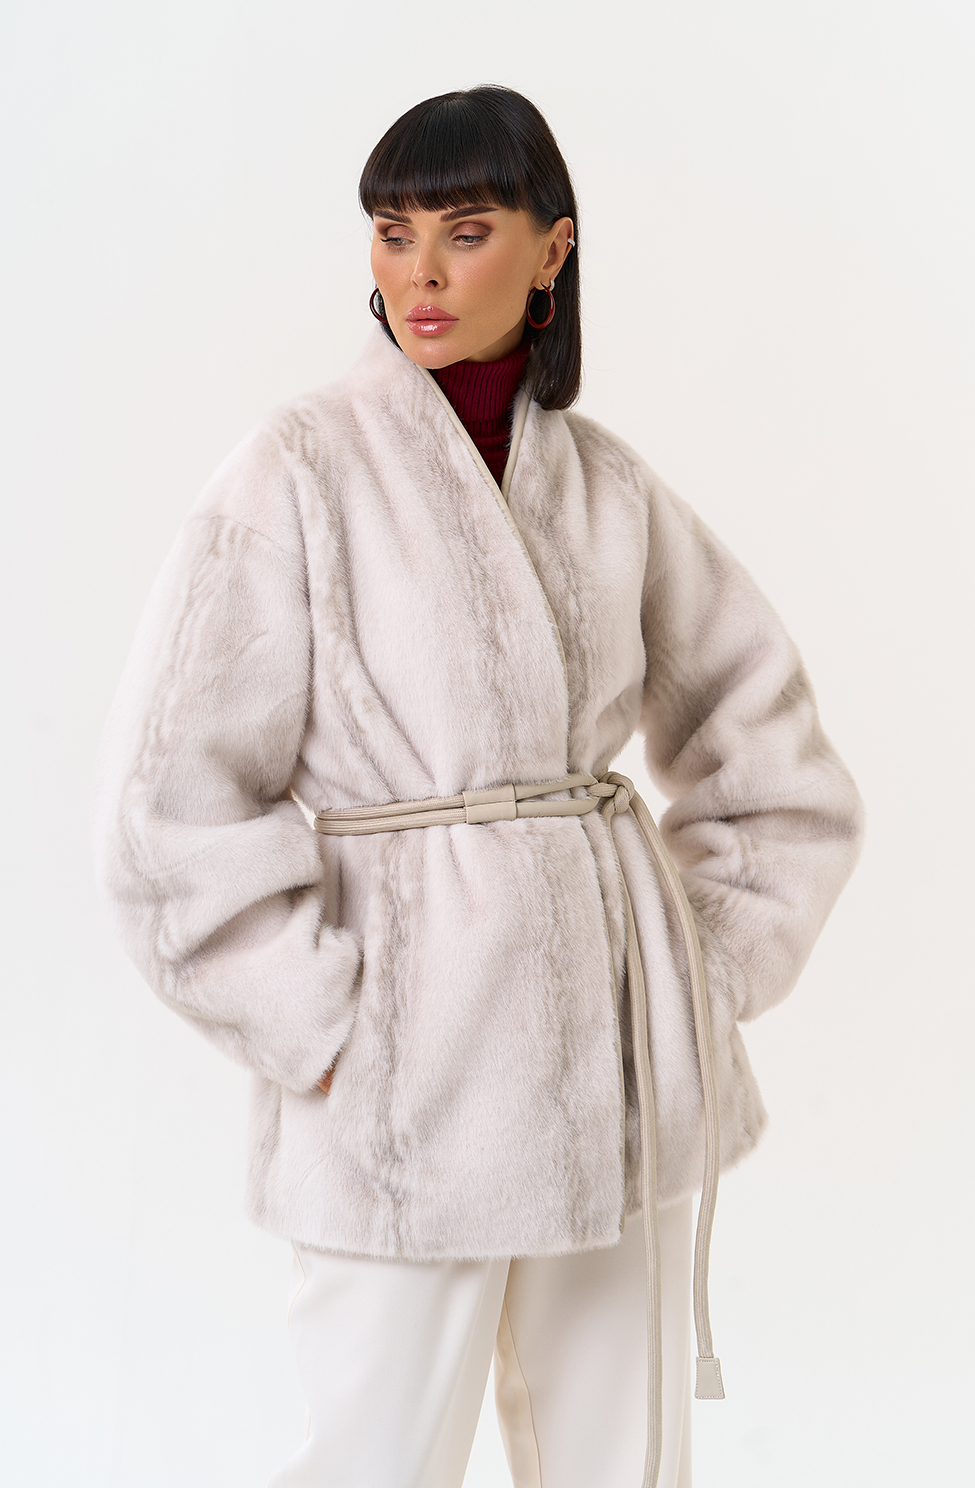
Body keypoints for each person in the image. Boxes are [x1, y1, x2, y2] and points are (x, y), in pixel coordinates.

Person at [94, 86, 864, 1488]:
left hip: (612, 1075)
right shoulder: (299, 471)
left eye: (466, 230)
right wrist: (323, 1024)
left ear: (552, 248)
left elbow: (772, 755)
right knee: (377, 1458)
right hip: (401, 1083)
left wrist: (691, 979)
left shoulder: (610, 489)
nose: (424, 275)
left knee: (623, 1463)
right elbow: (169, 810)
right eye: (394, 235)